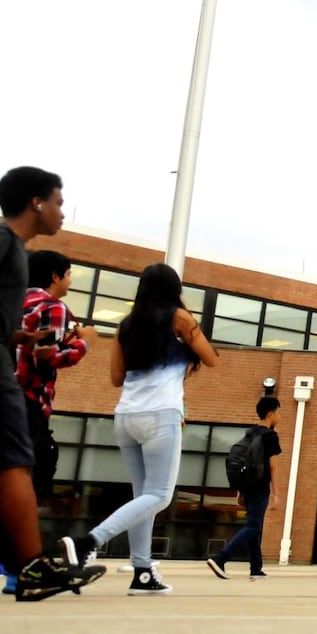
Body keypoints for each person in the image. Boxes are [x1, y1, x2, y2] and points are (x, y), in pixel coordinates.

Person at [59, 263, 219, 595]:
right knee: (159, 496)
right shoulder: (180, 318)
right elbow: (212, 357)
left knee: (143, 497)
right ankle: (88, 541)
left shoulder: (126, 326)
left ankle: (142, 572)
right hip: (160, 416)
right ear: (175, 289)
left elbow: (117, 378)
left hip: (126, 417)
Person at [1, 166, 103, 600]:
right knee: (16, 466)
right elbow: (61, 358)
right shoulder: (8, 245)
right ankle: (30, 568)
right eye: (58, 202)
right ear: (36, 202)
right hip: (17, 389)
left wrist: (21, 337)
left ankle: (25, 568)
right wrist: (85, 344)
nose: (62, 212)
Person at [17, 249, 92, 495]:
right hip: (29, 404)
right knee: (29, 482)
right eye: (68, 274)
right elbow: (47, 358)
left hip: (10, 398)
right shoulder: (53, 307)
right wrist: (86, 342)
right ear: (54, 276)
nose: (70, 280)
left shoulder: (15, 302)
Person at [206, 397, 282, 581]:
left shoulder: (249, 433)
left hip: (246, 486)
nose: (279, 416)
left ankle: (256, 568)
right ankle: (220, 558)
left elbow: (244, 462)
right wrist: (276, 493)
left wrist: (239, 490)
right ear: (270, 414)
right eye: (278, 412)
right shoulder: (270, 436)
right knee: (253, 526)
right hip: (259, 486)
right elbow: (273, 466)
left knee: (255, 526)